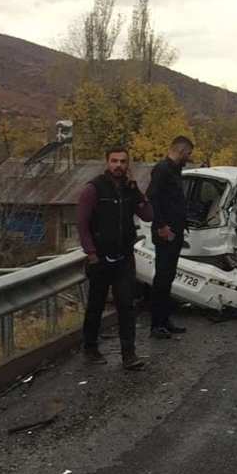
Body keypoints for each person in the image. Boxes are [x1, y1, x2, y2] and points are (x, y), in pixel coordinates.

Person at [77, 146, 153, 369]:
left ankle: (129, 355)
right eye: (114, 161)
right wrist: (91, 253)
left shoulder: (130, 190)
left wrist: (136, 189)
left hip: (123, 258)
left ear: (128, 165)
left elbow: (148, 214)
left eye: (122, 161)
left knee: (126, 305)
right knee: (96, 305)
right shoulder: (93, 189)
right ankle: (90, 348)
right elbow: (81, 223)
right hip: (99, 258)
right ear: (107, 163)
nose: (118, 165)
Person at [145, 135, 193, 340]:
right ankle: (156, 324)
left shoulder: (174, 170)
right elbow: (153, 196)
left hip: (175, 230)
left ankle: (164, 320)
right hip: (166, 232)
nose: (189, 158)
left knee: (168, 277)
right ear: (181, 150)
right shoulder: (163, 170)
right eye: (188, 154)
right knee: (162, 278)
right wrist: (161, 225)